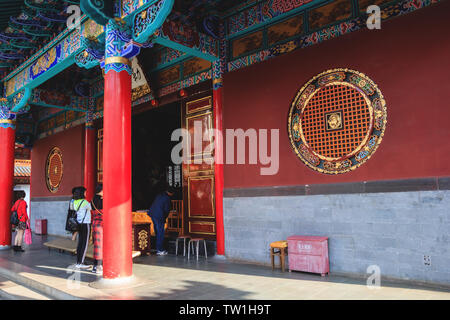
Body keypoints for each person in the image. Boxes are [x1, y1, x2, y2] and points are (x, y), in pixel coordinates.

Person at [147, 187, 175, 256]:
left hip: (153, 214)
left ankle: (157, 248)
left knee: (157, 232)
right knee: (160, 233)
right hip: (159, 216)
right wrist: (164, 217)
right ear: (171, 193)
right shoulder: (167, 198)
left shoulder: (160, 195)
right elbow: (166, 210)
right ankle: (160, 250)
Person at [72, 186, 92, 269]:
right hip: (85, 224)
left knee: (80, 243)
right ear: (81, 193)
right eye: (84, 192)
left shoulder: (74, 202)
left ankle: (78, 261)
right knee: (85, 243)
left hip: (79, 223)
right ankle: (81, 263)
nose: (85, 193)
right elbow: (91, 208)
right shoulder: (85, 202)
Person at [91, 184, 103, 274]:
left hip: (95, 224)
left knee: (97, 245)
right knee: (100, 246)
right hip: (102, 225)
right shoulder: (103, 200)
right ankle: (99, 266)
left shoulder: (92, 200)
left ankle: (95, 265)